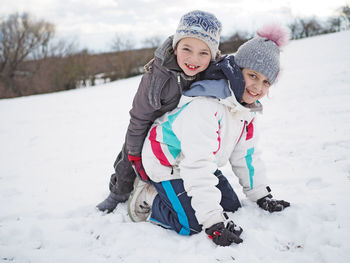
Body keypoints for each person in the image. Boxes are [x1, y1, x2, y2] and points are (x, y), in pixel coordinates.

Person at [127, 24, 291, 247]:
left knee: (231, 208)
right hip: (167, 164)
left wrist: (261, 195)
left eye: (266, 82)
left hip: (197, 161)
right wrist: (213, 223)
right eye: (252, 75)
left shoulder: (245, 109)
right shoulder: (205, 107)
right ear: (237, 71)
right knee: (192, 224)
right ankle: (150, 194)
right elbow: (198, 166)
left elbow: (247, 155)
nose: (257, 87)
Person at [97, 10, 223, 213]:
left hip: (180, 131)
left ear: (213, 54)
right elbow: (139, 118)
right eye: (187, 49)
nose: (194, 59)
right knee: (128, 155)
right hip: (149, 128)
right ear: (175, 47)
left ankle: (169, 186)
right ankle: (119, 192)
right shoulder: (157, 76)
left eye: (203, 53)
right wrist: (135, 155)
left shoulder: (211, 73)